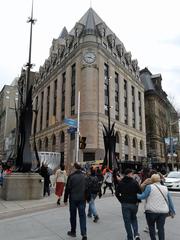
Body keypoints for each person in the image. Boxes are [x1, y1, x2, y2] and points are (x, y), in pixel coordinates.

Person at [137, 174, 175, 240]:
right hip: (163, 212)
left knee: (151, 228)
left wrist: (135, 194)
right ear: (159, 179)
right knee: (161, 228)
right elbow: (170, 200)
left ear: (152, 180)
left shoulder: (149, 187)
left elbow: (143, 196)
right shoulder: (165, 188)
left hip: (151, 212)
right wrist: (172, 211)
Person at [115, 168, 141, 240]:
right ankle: (136, 234)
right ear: (129, 174)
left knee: (127, 221)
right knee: (134, 218)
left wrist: (121, 200)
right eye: (132, 174)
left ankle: (130, 237)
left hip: (125, 204)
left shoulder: (121, 183)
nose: (132, 175)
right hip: (134, 204)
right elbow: (139, 192)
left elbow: (116, 193)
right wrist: (138, 201)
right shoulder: (134, 182)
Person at [64, 162, 88, 240]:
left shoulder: (71, 176)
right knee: (82, 216)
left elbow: (67, 189)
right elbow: (87, 188)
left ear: (74, 168)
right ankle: (84, 234)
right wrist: (88, 198)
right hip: (82, 199)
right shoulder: (84, 176)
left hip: (73, 199)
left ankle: (73, 231)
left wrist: (65, 199)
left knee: (73, 216)